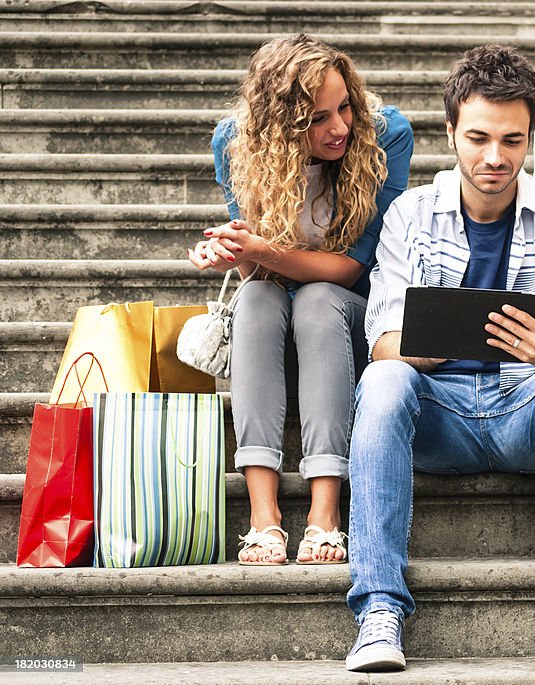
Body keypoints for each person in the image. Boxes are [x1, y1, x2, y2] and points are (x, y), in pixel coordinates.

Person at [344, 45, 535, 672]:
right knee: (384, 379)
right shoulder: (409, 214)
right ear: (450, 131)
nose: (495, 158)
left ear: (529, 136)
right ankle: (378, 613)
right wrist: (426, 343)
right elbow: (381, 339)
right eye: (478, 138)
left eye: (512, 140)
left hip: (523, 410)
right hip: (438, 417)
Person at [187, 34, 413, 566]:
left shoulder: (386, 136)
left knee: (317, 297)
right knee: (258, 297)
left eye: (345, 108)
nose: (339, 127)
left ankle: (324, 513)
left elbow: (356, 267)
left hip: (346, 319)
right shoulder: (235, 142)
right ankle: (263, 517)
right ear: (280, 128)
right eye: (316, 119)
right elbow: (258, 270)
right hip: (273, 327)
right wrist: (235, 252)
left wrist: (266, 251)